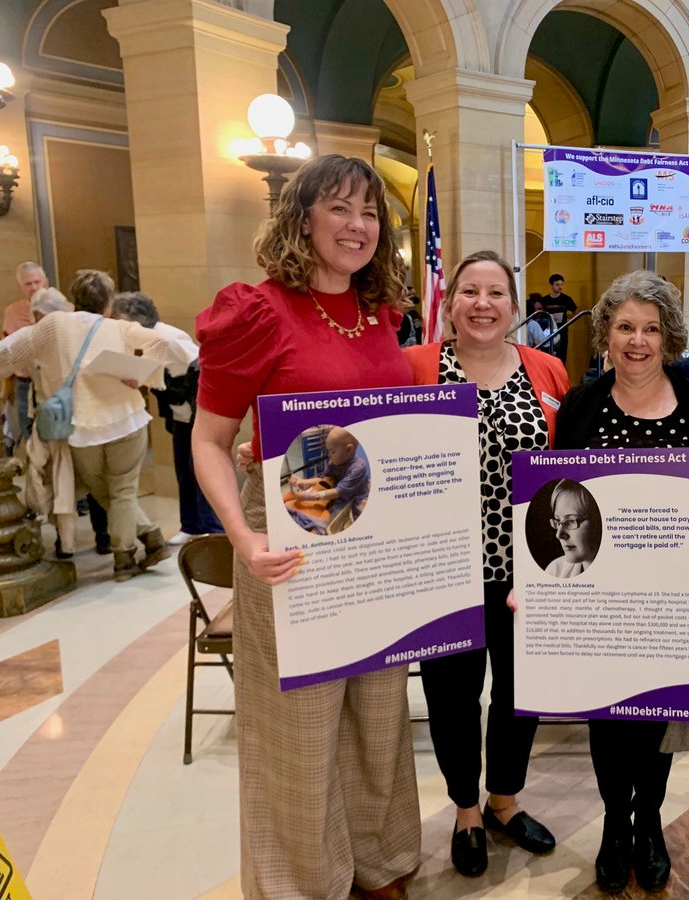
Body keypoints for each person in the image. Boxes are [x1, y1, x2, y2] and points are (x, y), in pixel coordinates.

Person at [191, 154, 420, 900]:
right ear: (304, 217)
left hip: (376, 532)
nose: (358, 226)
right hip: (291, 531)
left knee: (378, 710)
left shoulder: (383, 311)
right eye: (340, 209)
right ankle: (302, 882)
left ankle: (377, 860)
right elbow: (209, 440)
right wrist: (241, 536)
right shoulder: (256, 311)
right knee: (301, 721)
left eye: (369, 213)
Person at [539, 268, 689, 893]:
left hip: (672, 594)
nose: (637, 341)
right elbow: (555, 496)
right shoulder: (581, 404)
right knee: (607, 719)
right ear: (606, 334)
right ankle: (613, 825)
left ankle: (647, 821)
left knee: (656, 718)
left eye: (651, 328)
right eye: (625, 327)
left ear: (670, 336)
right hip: (600, 595)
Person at [403, 250, 569, 879]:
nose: (482, 303)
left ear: (515, 306)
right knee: (452, 696)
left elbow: (577, 463)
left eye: (495, 292)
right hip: (442, 572)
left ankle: (505, 798)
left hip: (528, 572)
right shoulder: (415, 367)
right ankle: (466, 809)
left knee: (522, 695)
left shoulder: (547, 371)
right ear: (449, 304)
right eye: (469, 291)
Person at [0, 269, 186, 578]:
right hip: (128, 420)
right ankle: (136, 549)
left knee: (104, 491)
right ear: (108, 303)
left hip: (82, 428)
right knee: (121, 490)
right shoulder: (119, 328)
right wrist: (141, 375)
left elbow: (6, 353)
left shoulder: (53, 326)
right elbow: (158, 343)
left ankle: (135, 549)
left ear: (74, 299)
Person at [110, 291, 223, 545]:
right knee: (182, 468)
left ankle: (213, 528)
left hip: (195, 409)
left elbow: (201, 365)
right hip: (178, 412)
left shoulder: (167, 336)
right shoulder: (142, 339)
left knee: (201, 469)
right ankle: (191, 524)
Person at [19, 287, 77, 558]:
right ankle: (66, 542)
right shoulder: (74, 334)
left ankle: (63, 541)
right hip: (71, 418)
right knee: (61, 480)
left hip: (50, 419)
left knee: (51, 478)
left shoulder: (37, 339)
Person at [1, 261, 50, 450]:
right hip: (24, 383)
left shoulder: (58, 306)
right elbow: (7, 352)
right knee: (29, 434)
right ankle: (38, 475)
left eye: (37, 282)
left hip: (52, 380)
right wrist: (5, 390)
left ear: (46, 282)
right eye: (28, 284)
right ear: (21, 287)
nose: (34, 287)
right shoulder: (13, 311)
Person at [285, 426, 369, 528]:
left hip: (353, 495)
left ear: (349, 450)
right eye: (328, 451)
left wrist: (307, 496)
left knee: (335, 521)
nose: (329, 455)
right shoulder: (333, 462)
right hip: (336, 489)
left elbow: (338, 492)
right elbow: (323, 479)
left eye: (332, 452)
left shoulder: (358, 468)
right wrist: (302, 482)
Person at [543, 479, 600, 577]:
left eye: (570, 521)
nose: (559, 535)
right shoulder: (555, 571)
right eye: (557, 520)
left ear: (597, 520)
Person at [542, 273, 577, 361]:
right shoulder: (545, 300)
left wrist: (565, 317)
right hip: (548, 331)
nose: (560, 287)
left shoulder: (566, 299)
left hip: (562, 331)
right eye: (557, 285)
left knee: (561, 357)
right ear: (552, 285)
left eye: (561, 284)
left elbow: (574, 312)